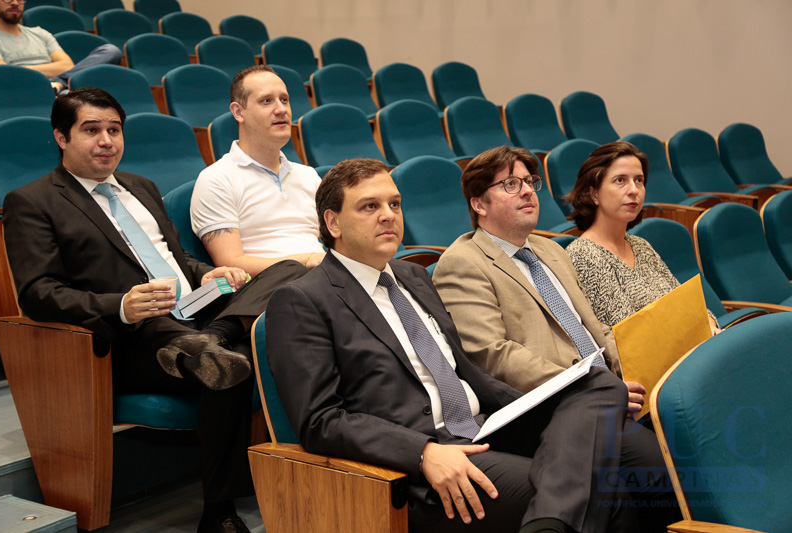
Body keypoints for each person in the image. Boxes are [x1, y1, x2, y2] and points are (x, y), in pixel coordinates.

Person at [265, 158, 642, 533]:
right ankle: (549, 522)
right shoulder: (303, 300)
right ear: (333, 223)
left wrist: (544, 403)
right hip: (425, 457)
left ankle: (552, 519)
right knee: (607, 495)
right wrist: (422, 453)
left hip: (487, 427)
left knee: (599, 386)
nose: (388, 215)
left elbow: (465, 372)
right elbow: (320, 421)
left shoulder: (413, 276)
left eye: (394, 204)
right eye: (369, 206)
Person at [3, 87, 307, 533]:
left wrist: (208, 273)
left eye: (114, 130)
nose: (106, 140)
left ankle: (216, 338)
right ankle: (218, 511)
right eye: (91, 130)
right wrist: (121, 306)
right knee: (229, 364)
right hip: (133, 337)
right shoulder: (33, 202)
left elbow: (178, 260)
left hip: (198, 315)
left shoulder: (141, 187)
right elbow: (37, 292)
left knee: (288, 271)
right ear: (62, 138)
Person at [432, 146, 680, 532]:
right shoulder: (463, 263)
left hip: (607, 393)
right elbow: (493, 355)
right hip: (550, 409)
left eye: (529, 182)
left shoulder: (549, 249)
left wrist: (634, 370)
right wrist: (591, 384)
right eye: (510, 184)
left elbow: (596, 330)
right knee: (663, 468)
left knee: (688, 436)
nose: (527, 191)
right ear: (479, 203)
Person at [564, 141, 720, 333]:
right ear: (594, 194)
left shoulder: (640, 245)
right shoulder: (583, 255)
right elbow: (630, 333)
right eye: (620, 180)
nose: (634, 190)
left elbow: (686, 303)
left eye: (639, 180)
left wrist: (709, 323)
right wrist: (696, 327)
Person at [191, 65, 325, 277]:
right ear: (238, 112)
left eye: (284, 100)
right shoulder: (216, 179)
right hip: (272, 288)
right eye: (266, 101)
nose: (281, 109)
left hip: (325, 280)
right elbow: (230, 263)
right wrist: (307, 261)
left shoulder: (308, 176)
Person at [0, 0, 122, 93]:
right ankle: (61, 83)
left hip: (55, 89)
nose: (15, 3)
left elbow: (66, 66)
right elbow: (4, 73)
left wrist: (18, 68)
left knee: (111, 51)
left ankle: (59, 83)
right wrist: (47, 72)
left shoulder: (40, 33)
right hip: (23, 88)